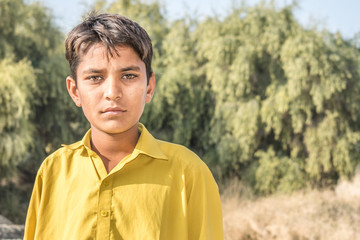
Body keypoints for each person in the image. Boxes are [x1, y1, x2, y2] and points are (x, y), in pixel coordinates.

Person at [24, 13, 223, 240]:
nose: (112, 93)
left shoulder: (187, 172)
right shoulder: (53, 171)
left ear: (149, 87)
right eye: (95, 78)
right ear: (74, 91)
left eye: (128, 76)